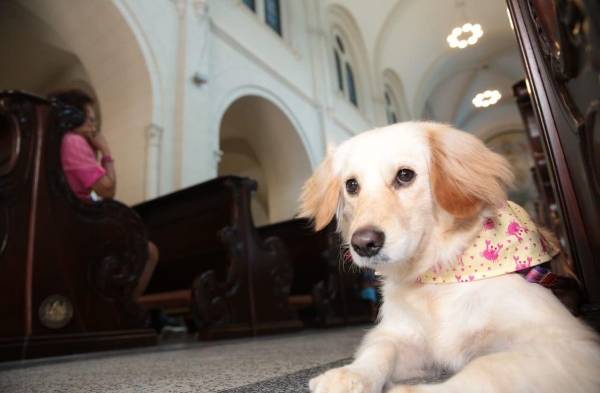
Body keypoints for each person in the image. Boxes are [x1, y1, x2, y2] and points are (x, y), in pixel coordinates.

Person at [52, 89, 158, 300]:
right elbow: (108, 189)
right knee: (149, 251)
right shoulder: (73, 141)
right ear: (74, 118)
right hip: (77, 224)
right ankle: (124, 313)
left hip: (66, 219)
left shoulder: (59, 141)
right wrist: (107, 152)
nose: (93, 128)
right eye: (90, 120)